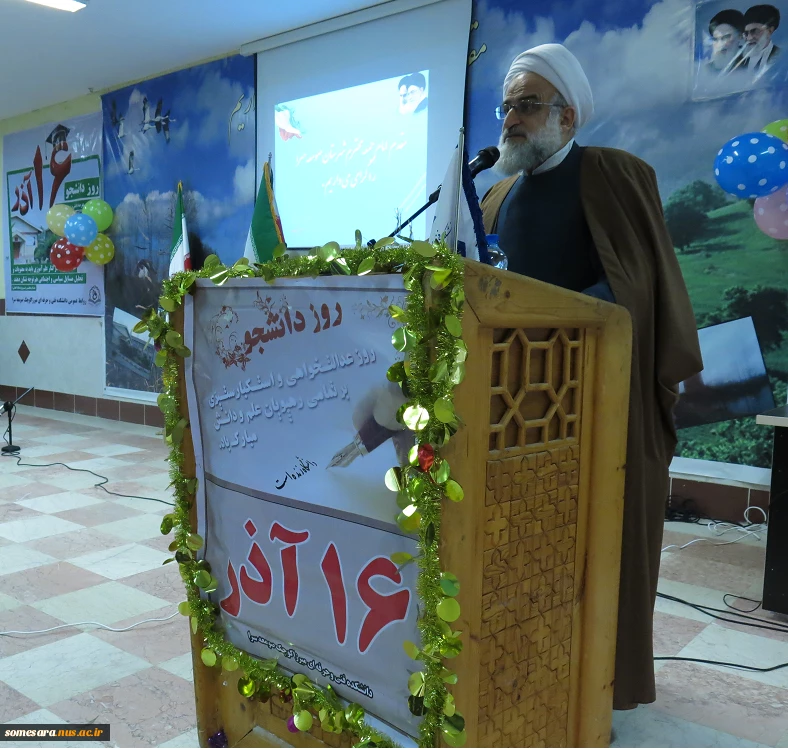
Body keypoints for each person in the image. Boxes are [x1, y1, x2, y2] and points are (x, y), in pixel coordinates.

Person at [480, 43, 703, 711]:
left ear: (567, 116)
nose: (511, 119)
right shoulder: (496, 194)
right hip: (509, 404)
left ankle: (596, 685)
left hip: (593, 405)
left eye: (527, 105)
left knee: (595, 547)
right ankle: (523, 668)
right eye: (507, 106)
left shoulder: (611, 173)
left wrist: (551, 321)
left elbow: (636, 287)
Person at [726, 4, 781, 77]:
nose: (749, 38)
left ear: (770, 31)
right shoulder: (734, 57)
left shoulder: (781, 58)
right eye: (746, 33)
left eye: (755, 31)